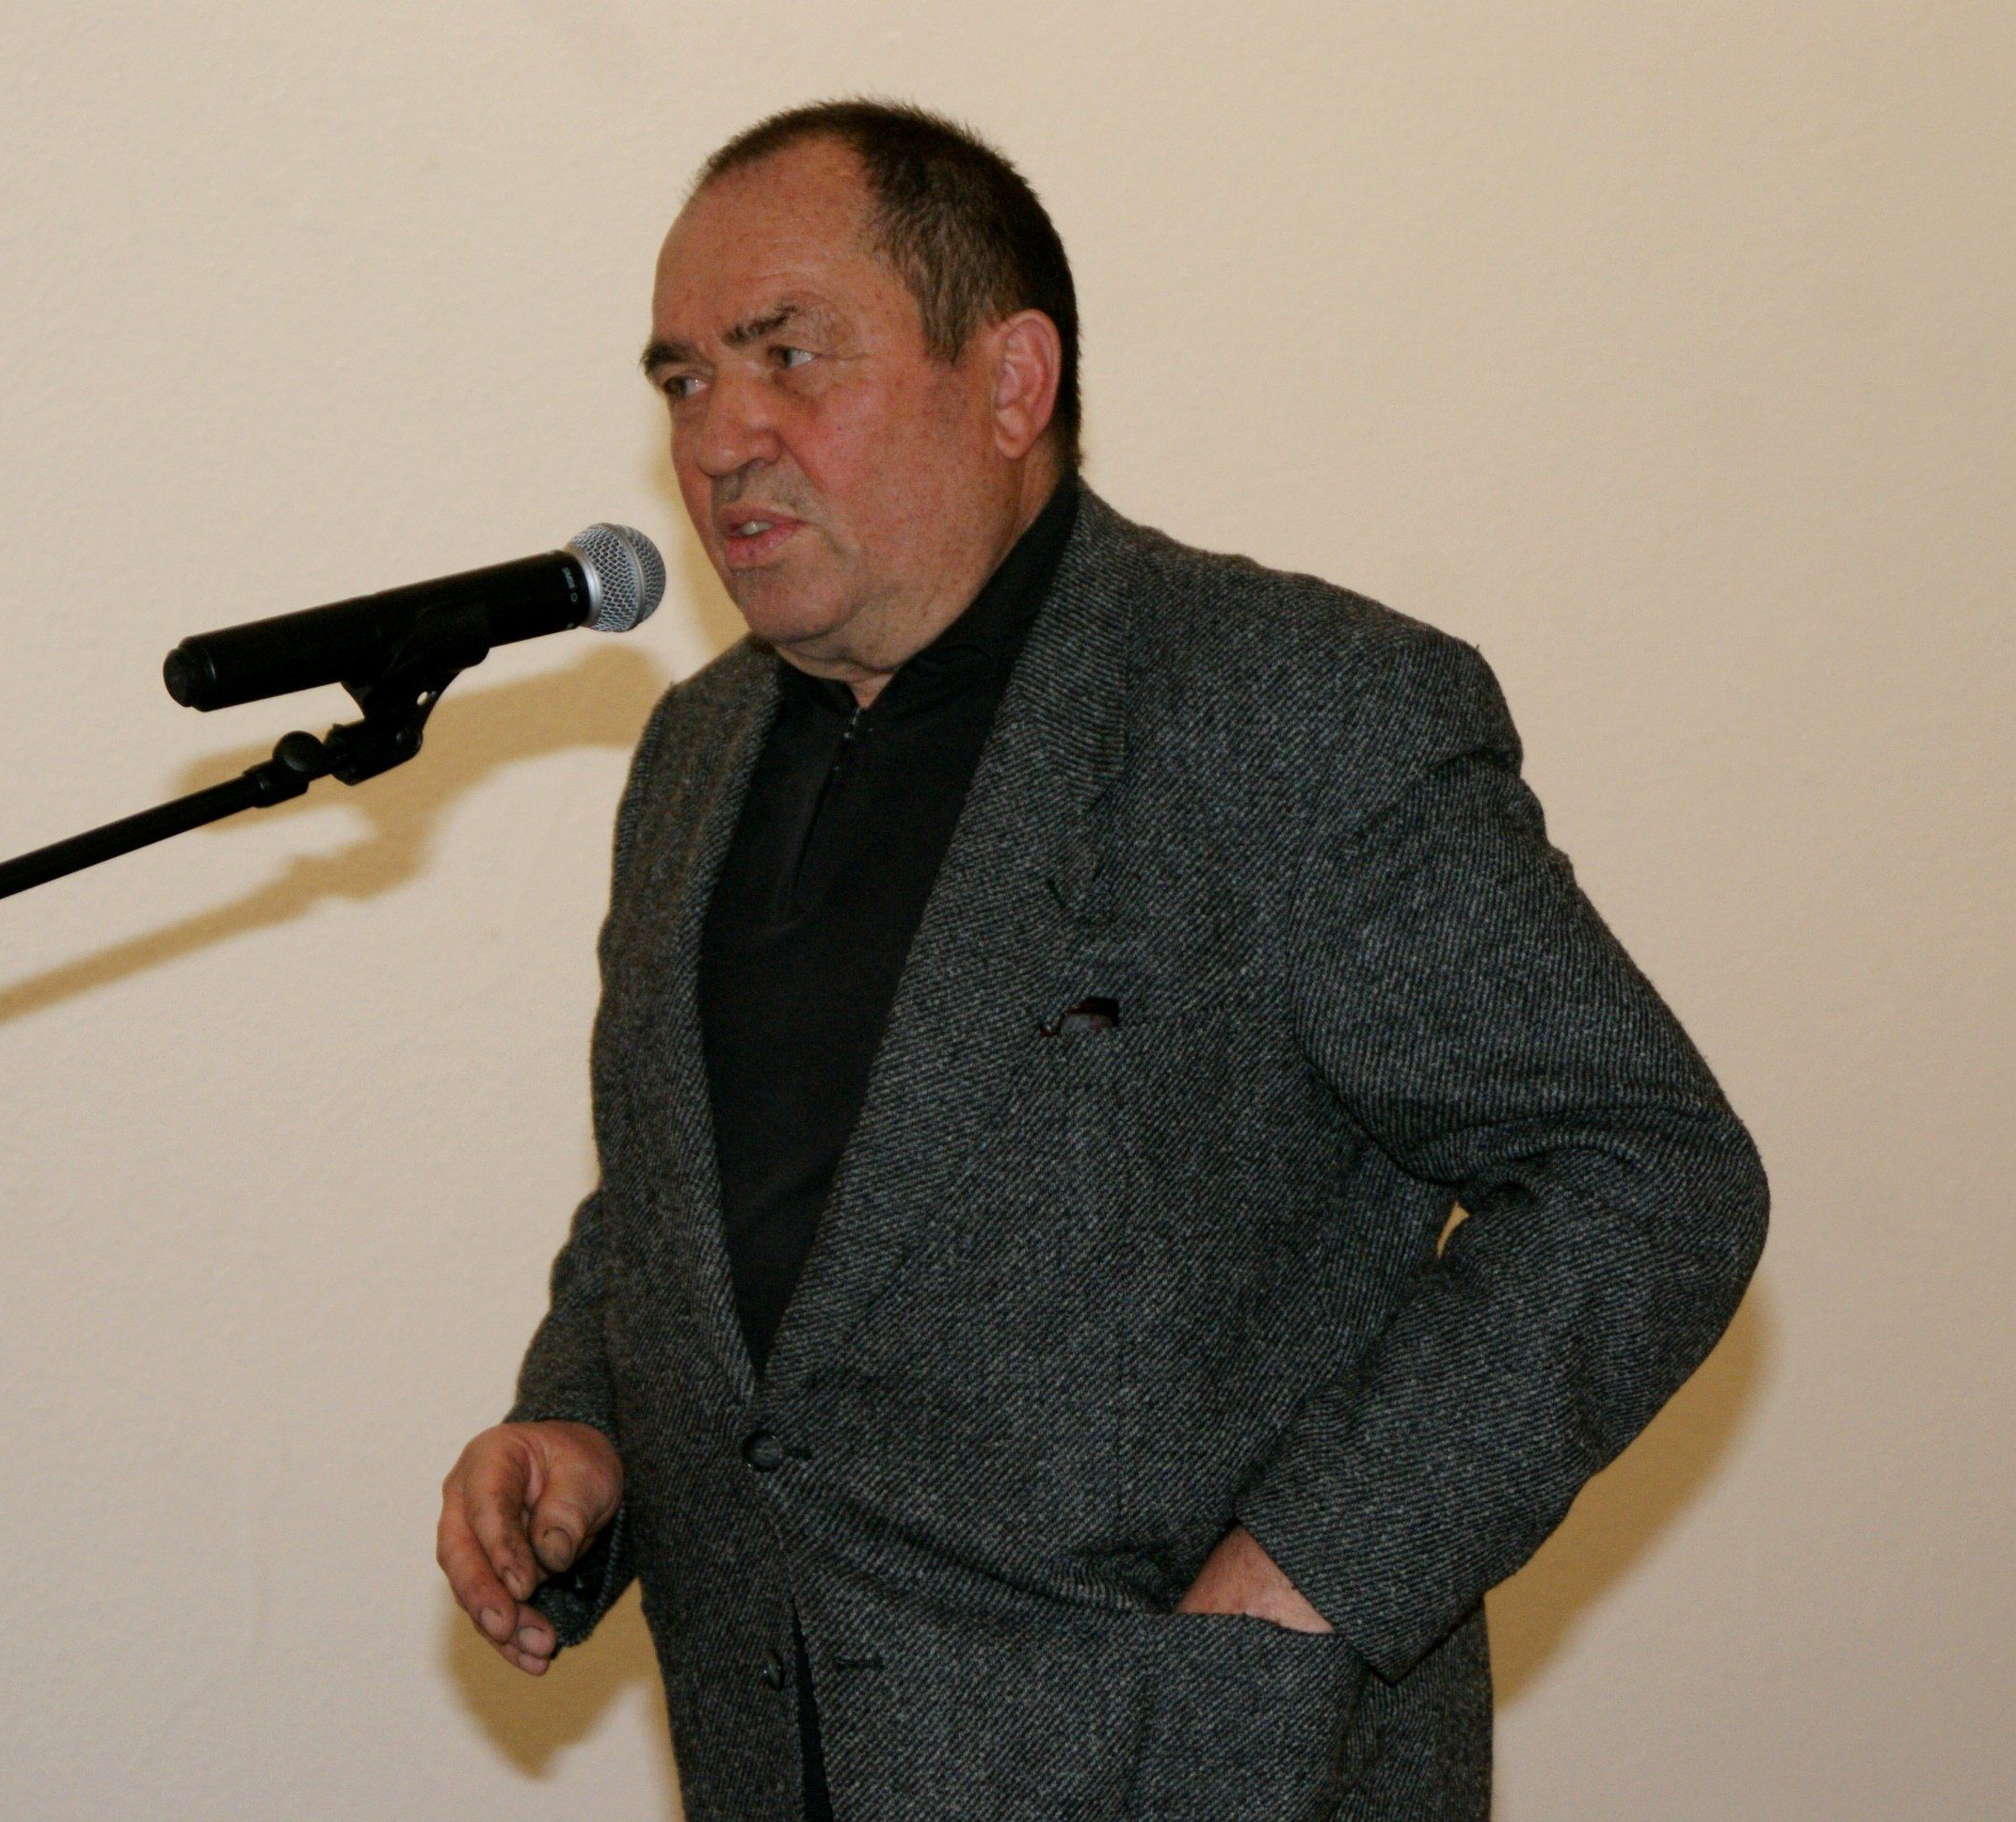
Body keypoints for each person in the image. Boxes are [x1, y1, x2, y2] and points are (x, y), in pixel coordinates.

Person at [436, 100, 1768, 1821]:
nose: (721, 438)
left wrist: (1310, 1572)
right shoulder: (692, 758)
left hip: (1199, 1769)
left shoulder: (1289, 707)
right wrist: (582, 1424)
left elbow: (1645, 1172)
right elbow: (681, 1201)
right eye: (684, 380)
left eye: (788, 356)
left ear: (1012, 383)